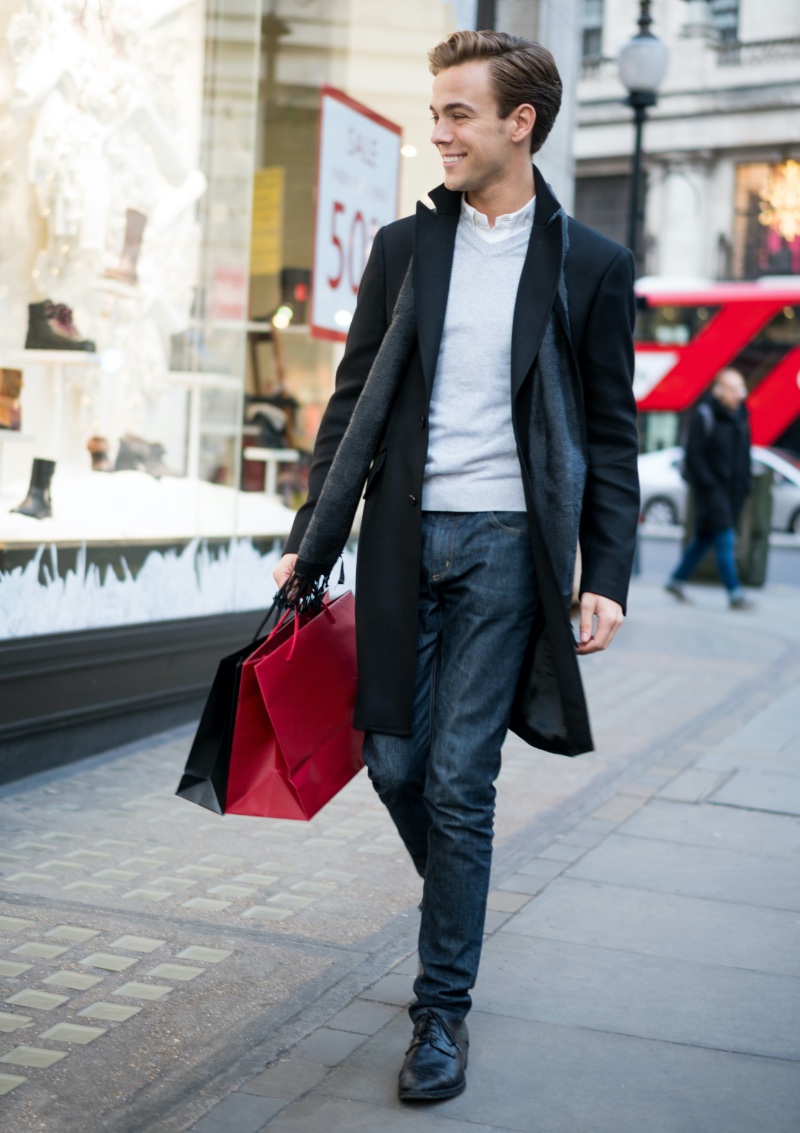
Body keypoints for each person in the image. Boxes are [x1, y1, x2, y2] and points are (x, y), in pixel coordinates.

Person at [273, 30, 640, 1102]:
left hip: (504, 548)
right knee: (391, 760)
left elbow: (610, 434)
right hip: (396, 535)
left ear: (518, 124)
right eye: (434, 112)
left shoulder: (587, 265)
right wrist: (312, 530)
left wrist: (603, 569)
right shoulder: (402, 250)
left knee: (459, 780)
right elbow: (350, 401)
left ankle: (440, 1012)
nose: (436, 130)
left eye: (456, 114)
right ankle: (460, 908)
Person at [665, 368, 753, 609]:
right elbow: (693, 456)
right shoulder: (704, 415)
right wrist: (710, 485)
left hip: (733, 492)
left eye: (741, 389)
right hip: (711, 492)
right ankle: (735, 593)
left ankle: (676, 580)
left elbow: (744, 456)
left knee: (704, 539)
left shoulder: (742, 417)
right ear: (719, 390)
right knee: (725, 539)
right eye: (733, 389)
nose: (739, 395)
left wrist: (746, 485)